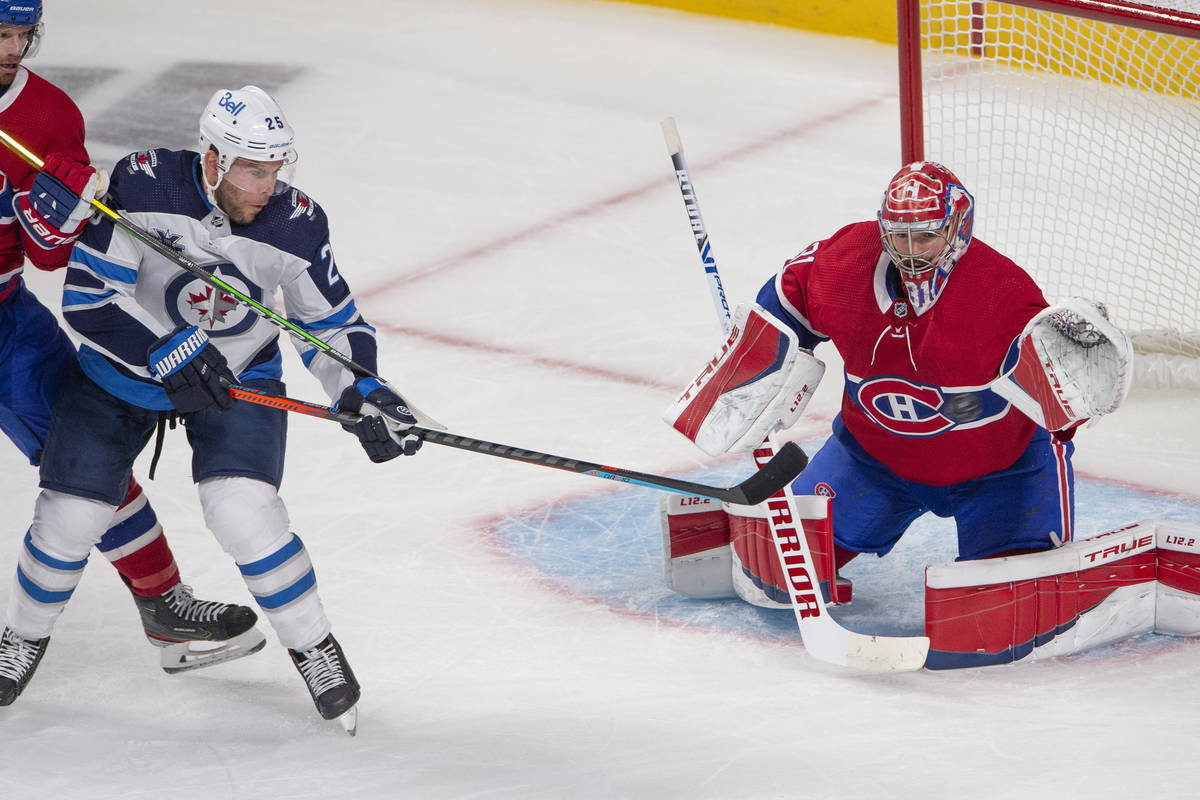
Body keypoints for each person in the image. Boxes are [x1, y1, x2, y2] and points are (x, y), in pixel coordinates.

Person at [0, 83, 423, 731]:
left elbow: (330, 325)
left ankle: (315, 647)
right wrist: (165, 349)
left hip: (235, 376)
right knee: (70, 514)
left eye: (276, 170)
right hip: (120, 376)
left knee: (244, 512)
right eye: (254, 170)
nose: (267, 186)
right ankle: (24, 636)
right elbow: (87, 298)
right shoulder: (141, 188)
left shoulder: (296, 223)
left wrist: (362, 389)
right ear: (214, 161)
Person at [663, 161, 1132, 606]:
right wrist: (759, 360)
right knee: (773, 572)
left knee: (1006, 603)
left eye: (925, 237)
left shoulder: (1002, 295)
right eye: (898, 236)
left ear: (957, 226)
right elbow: (788, 298)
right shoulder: (844, 263)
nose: (910, 251)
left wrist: (1074, 385)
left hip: (1001, 471)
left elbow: (1060, 410)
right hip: (874, 460)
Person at [0, 0, 264, 698]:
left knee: (80, 461)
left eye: (20, 34)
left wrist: (50, 223)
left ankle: (164, 608)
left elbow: (50, 259)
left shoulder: (51, 116)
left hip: (6, 318)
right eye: (0, 33)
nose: (11, 47)